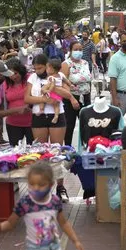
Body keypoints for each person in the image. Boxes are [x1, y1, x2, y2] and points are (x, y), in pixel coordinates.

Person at [25, 54, 80, 202]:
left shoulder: (59, 75)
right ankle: (42, 187)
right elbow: (27, 98)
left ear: (47, 65)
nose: (38, 71)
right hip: (39, 116)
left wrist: (53, 86)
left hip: (57, 115)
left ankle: (60, 187)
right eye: (35, 68)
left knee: (57, 152)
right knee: (41, 153)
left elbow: (67, 94)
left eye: (41, 68)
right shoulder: (32, 78)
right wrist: (44, 99)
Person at [62, 42, 92, 146]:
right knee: (69, 125)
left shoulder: (85, 63)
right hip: (72, 98)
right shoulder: (66, 64)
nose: (78, 51)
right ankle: (68, 148)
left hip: (85, 96)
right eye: (76, 49)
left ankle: (87, 147)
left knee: (88, 125)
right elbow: (63, 83)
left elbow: (89, 79)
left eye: (80, 49)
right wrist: (71, 99)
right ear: (70, 50)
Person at [3, 58, 33, 146]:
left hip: (31, 122)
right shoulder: (5, 83)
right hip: (13, 123)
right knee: (14, 152)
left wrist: (29, 106)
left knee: (33, 152)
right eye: (10, 74)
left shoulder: (30, 79)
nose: (13, 77)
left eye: (15, 73)